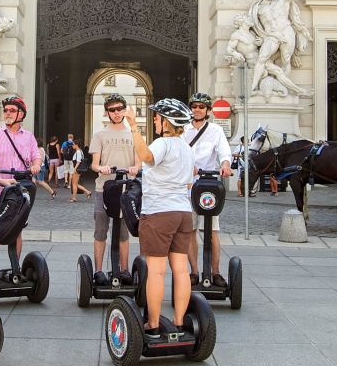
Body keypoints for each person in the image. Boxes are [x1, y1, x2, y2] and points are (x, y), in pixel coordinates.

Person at [123, 98, 195, 338]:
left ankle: (153, 325)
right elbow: (187, 180)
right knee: (181, 270)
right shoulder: (187, 148)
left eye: (157, 117)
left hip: (159, 213)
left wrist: (133, 125)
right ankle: (179, 322)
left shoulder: (163, 143)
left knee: (156, 271)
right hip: (183, 213)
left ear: (167, 122)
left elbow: (145, 155)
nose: (154, 119)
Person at [180, 92, 232, 287]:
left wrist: (225, 165)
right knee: (189, 230)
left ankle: (215, 272)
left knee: (213, 231)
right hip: (188, 187)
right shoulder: (183, 130)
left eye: (201, 107)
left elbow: (224, 151)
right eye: (194, 106)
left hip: (208, 187)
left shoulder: (216, 131)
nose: (197, 110)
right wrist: (187, 166)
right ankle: (193, 272)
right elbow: (178, 152)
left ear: (208, 110)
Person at [89, 93, 141, 285]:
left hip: (126, 189)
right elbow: (94, 164)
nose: (117, 113)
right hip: (105, 187)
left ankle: (124, 270)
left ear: (125, 110)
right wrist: (101, 167)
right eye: (113, 110)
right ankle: (99, 271)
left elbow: (139, 161)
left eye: (120, 109)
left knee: (124, 233)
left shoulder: (133, 135)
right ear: (107, 112)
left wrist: (136, 167)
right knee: (101, 230)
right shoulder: (100, 135)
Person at [0, 96, 38, 274]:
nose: (7, 113)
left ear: (21, 114)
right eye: (6, 110)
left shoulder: (28, 137)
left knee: (17, 229)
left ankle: (15, 270)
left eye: (12, 110)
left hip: (19, 192)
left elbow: (36, 155)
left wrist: (36, 165)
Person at [246, 0, 312, 97]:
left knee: (286, 59)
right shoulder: (257, 9)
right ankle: (253, 86)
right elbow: (255, 27)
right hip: (271, 35)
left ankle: (282, 87)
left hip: (286, 31)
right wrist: (259, 38)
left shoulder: (283, 0)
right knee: (262, 58)